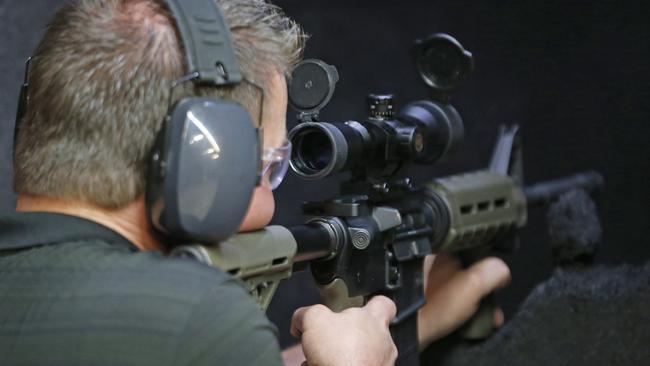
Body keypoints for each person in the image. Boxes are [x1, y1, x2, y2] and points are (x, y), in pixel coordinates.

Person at [0, 0, 510, 365]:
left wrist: (412, 325)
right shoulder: (199, 319)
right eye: (270, 167)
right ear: (205, 160)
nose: (270, 201)